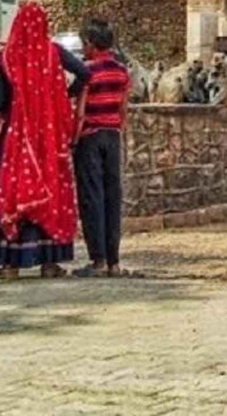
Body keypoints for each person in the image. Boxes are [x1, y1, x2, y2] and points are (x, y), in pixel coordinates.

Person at [0, 2, 88, 280]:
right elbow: (85, 74)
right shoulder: (54, 53)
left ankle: (10, 264)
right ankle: (49, 263)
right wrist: (61, 95)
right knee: (50, 192)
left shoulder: (4, 58)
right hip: (48, 141)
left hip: (15, 141)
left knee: (13, 193)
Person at [72, 18, 132, 278]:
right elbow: (123, 108)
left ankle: (97, 259)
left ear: (91, 45)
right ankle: (114, 261)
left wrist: (74, 139)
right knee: (112, 196)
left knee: (91, 197)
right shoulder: (121, 71)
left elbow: (81, 110)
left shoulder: (87, 71)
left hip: (91, 136)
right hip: (113, 135)